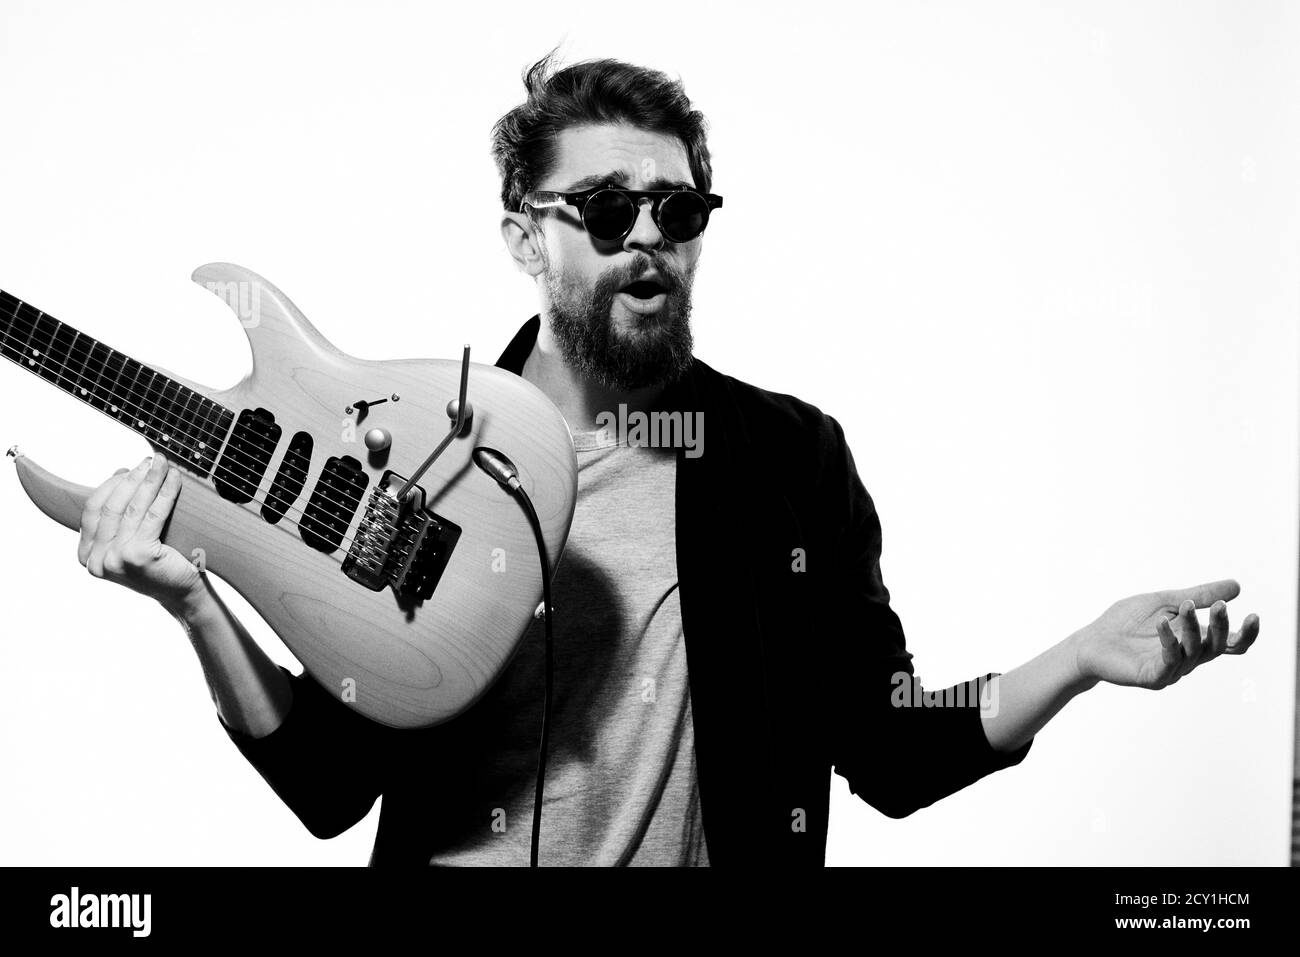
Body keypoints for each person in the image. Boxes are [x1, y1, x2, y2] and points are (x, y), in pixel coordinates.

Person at [77, 54, 1260, 867]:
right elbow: (331, 788)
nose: (646, 240)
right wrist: (196, 605)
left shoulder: (787, 459)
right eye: (603, 210)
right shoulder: (410, 453)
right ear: (523, 238)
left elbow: (889, 743)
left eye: (677, 213)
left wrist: (1082, 658)